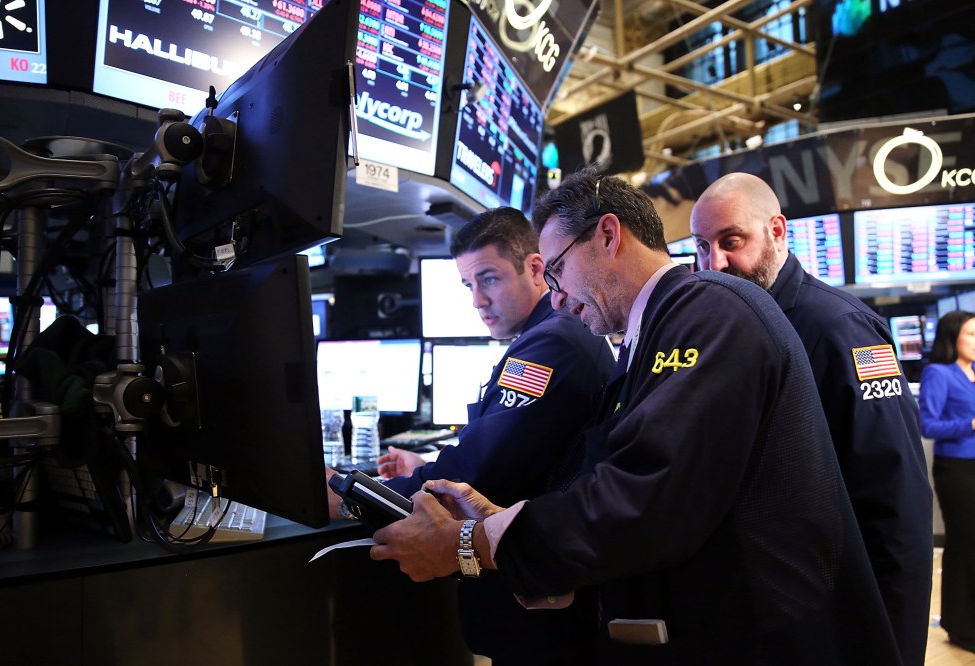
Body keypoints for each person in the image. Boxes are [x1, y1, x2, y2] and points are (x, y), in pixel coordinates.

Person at [369, 169, 901, 664]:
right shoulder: (658, 331)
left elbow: (646, 498)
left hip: (764, 638)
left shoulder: (708, 312)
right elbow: (616, 477)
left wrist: (471, 544)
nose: (555, 300)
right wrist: (495, 520)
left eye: (555, 271)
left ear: (608, 235)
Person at [327, 206, 616, 665]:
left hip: (541, 606)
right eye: (468, 285)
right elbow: (517, 447)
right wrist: (426, 469)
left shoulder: (552, 342)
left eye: (489, 279)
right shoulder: (549, 334)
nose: (477, 300)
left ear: (536, 267)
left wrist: (347, 493)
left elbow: (482, 472)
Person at [688, 171, 933, 666]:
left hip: (835, 619)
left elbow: (897, 500)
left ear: (778, 232)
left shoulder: (840, 327)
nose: (713, 263)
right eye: (700, 246)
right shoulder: (730, 327)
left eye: (731, 241)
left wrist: (896, 646)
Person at [918, 310, 975, 653]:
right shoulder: (938, 373)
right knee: (964, 544)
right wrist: (968, 425)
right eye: (971, 334)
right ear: (953, 338)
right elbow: (929, 425)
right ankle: (960, 625)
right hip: (957, 470)